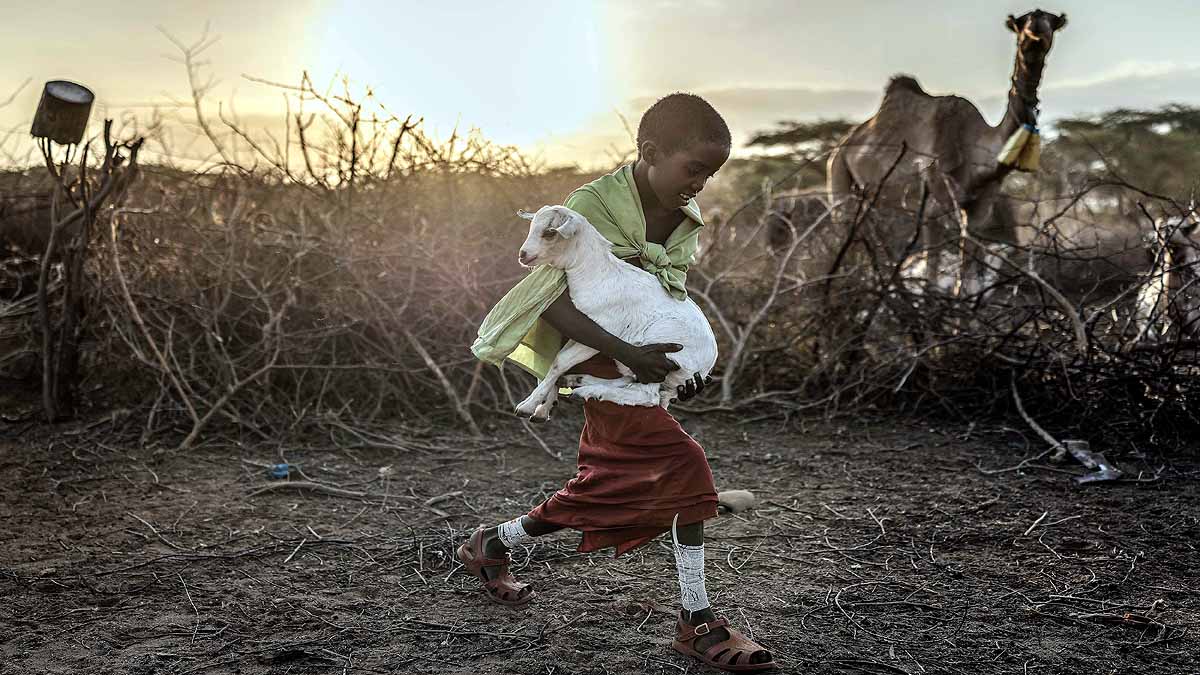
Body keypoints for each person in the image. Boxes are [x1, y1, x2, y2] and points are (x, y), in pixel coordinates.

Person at [463, 92, 775, 672]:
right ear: (650, 153)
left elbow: (666, 297)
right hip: (594, 357)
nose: (701, 184)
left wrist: (687, 368)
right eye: (694, 169)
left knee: (609, 484)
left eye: (711, 173)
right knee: (684, 472)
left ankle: (496, 541)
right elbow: (550, 303)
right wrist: (626, 352)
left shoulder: (684, 221)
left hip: (640, 363)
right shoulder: (590, 207)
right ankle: (697, 623)